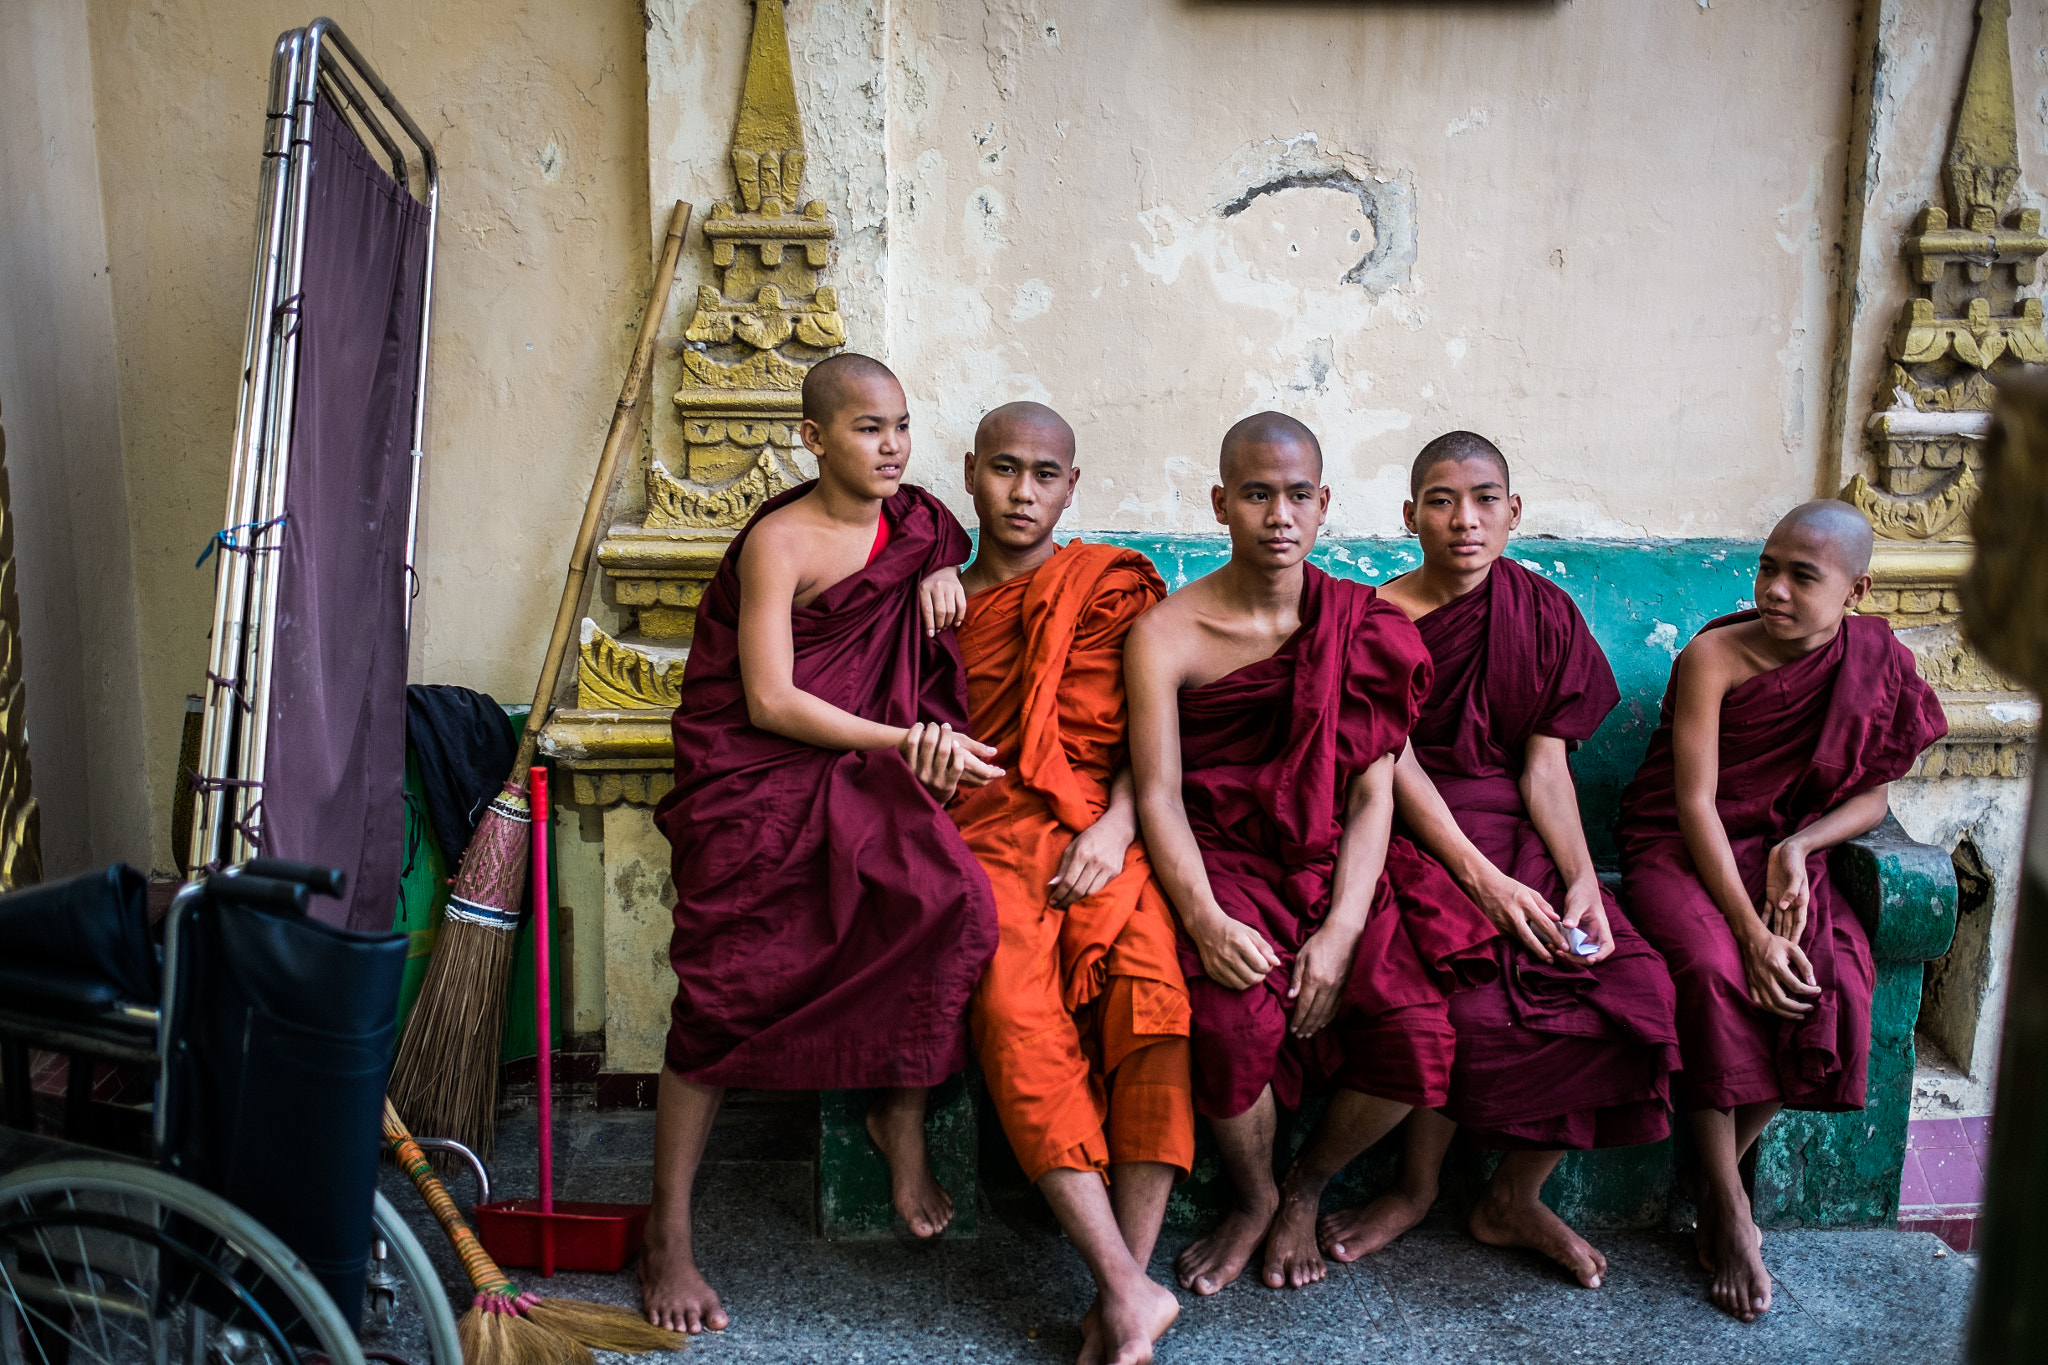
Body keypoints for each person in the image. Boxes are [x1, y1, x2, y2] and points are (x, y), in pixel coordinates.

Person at [641, 353, 1002, 1333]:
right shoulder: (779, 543)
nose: (888, 448)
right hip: (760, 775)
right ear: (812, 438)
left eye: (898, 427)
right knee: (721, 991)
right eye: (864, 429)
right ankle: (666, 1232)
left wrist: (931, 566)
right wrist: (910, 742)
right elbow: (766, 699)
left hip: (859, 772)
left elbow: (938, 537)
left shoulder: (916, 522)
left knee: (955, 906)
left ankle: (899, 1109)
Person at [1124, 412, 1499, 1298]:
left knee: (1421, 1036)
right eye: (1256, 493)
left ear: (1325, 503)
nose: (1279, 515)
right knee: (1226, 1023)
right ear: (1221, 502)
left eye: (1298, 494)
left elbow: (1374, 791)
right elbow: (1157, 796)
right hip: (1225, 865)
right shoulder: (1166, 635)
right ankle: (1252, 1196)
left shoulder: (1359, 622)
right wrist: (1206, 918)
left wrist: (1341, 928)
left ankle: (1307, 1185)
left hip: (1338, 864)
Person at [1317, 431, 1680, 1288]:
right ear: (1410, 517)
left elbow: (1543, 766)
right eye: (1441, 501)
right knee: (1472, 1005)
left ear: (1514, 513)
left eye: (1484, 499)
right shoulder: (1371, 621)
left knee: (1636, 989)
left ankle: (1514, 1194)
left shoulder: (1541, 612)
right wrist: (1481, 881)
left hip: (1520, 829)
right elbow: (1387, 768)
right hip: (1413, 834)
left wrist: (1582, 877)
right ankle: (1416, 1185)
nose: (1464, 520)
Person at [1616, 499, 1947, 1323]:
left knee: (1831, 979)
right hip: (1681, 850)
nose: (1775, 588)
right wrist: (1751, 928)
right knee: (1714, 969)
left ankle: (1714, 1168)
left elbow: (1871, 798)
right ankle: (1728, 1205)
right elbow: (1692, 806)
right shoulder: (1714, 657)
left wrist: (1800, 849)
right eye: (1768, 567)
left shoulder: (1872, 662)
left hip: (1779, 849)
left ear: (1855, 590)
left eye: (1804, 576)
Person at [944, 401, 1190, 1365]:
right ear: (971, 473)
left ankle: (1120, 1293)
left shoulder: (1107, 585)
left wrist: (1119, 824)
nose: (1022, 491)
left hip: (1105, 824)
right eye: (1005, 469)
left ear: (1071, 486)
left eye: (1045, 474)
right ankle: (1129, 1291)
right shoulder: (937, 602)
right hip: (990, 829)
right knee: (1012, 1010)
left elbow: (1148, 730)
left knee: (1153, 991)